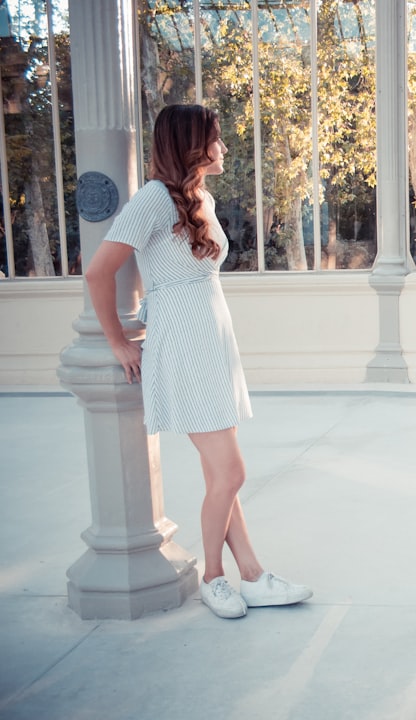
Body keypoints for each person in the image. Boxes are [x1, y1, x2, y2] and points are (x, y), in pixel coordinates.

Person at [85, 104, 312, 619]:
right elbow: (98, 272)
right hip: (182, 346)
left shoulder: (198, 198)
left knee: (221, 473)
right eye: (217, 138)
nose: (225, 148)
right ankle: (215, 578)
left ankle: (251, 576)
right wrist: (119, 341)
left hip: (212, 345)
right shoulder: (152, 200)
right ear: (193, 144)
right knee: (230, 473)